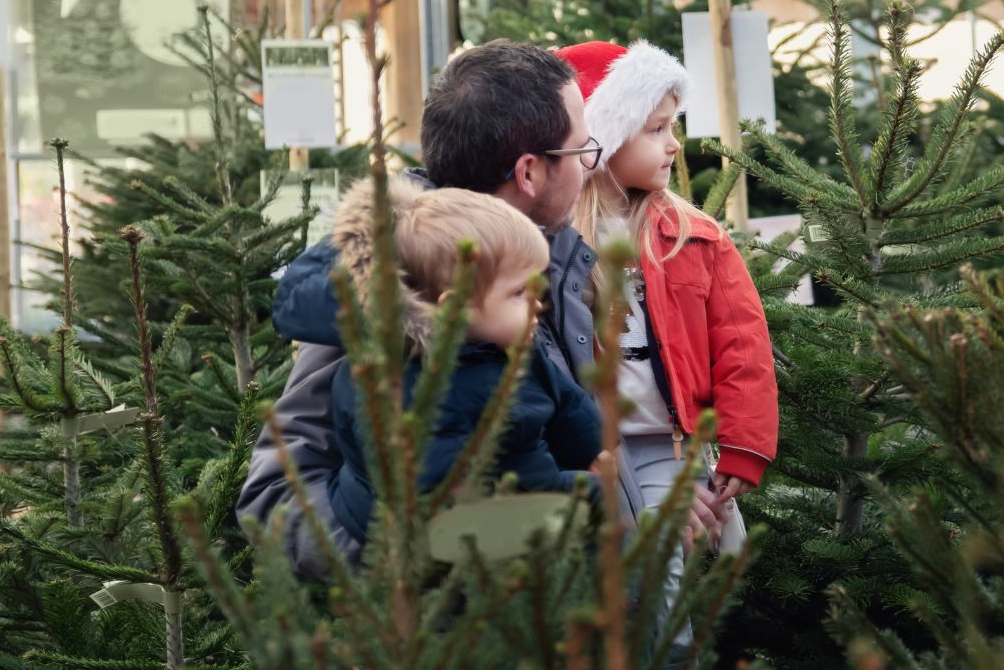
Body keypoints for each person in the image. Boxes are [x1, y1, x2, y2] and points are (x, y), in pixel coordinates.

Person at [237, 40, 726, 578]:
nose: (592, 165)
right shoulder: (396, 281)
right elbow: (275, 503)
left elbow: (567, 428)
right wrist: (449, 562)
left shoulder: (552, 249)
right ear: (529, 173)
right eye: (582, 149)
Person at [556, 40, 779, 658]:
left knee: (659, 588)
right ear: (605, 134)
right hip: (581, 447)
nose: (673, 144)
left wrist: (740, 447)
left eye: (672, 126)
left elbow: (742, 345)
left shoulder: (694, 237)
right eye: (655, 129)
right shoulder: (554, 238)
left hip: (663, 446)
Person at [272, 176, 604, 545]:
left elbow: (570, 410)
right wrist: (584, 491)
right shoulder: (421, 385)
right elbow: (461, 493)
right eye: (518, 292)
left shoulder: (505, 345)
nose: (536, 303)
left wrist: (593, 444)